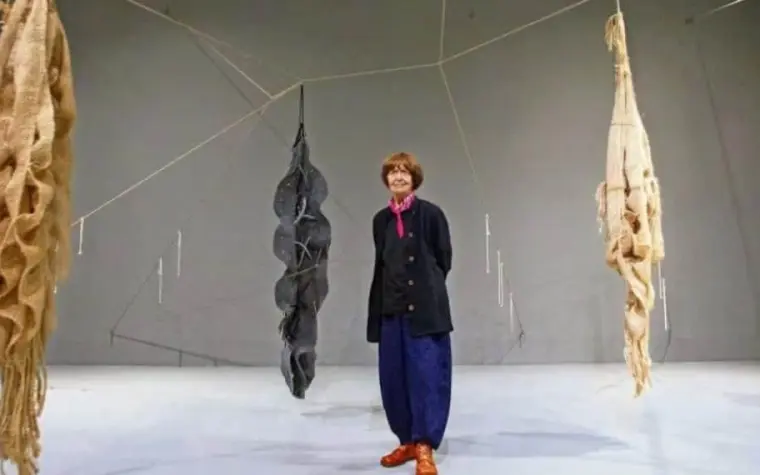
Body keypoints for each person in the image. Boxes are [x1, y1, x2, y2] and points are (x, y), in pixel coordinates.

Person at [367, 152, 453, 475]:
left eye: (404, 172)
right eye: (393, 172)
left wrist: (425, 289)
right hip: (391, 311)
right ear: (386, 179)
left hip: (424, 313)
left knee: (427, 378)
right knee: (394, 380)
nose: (399, 177)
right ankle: (406, 441)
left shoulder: (431, 215)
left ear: (414, 179)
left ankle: (425, 445)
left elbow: (443, 259)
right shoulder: (380, 220)